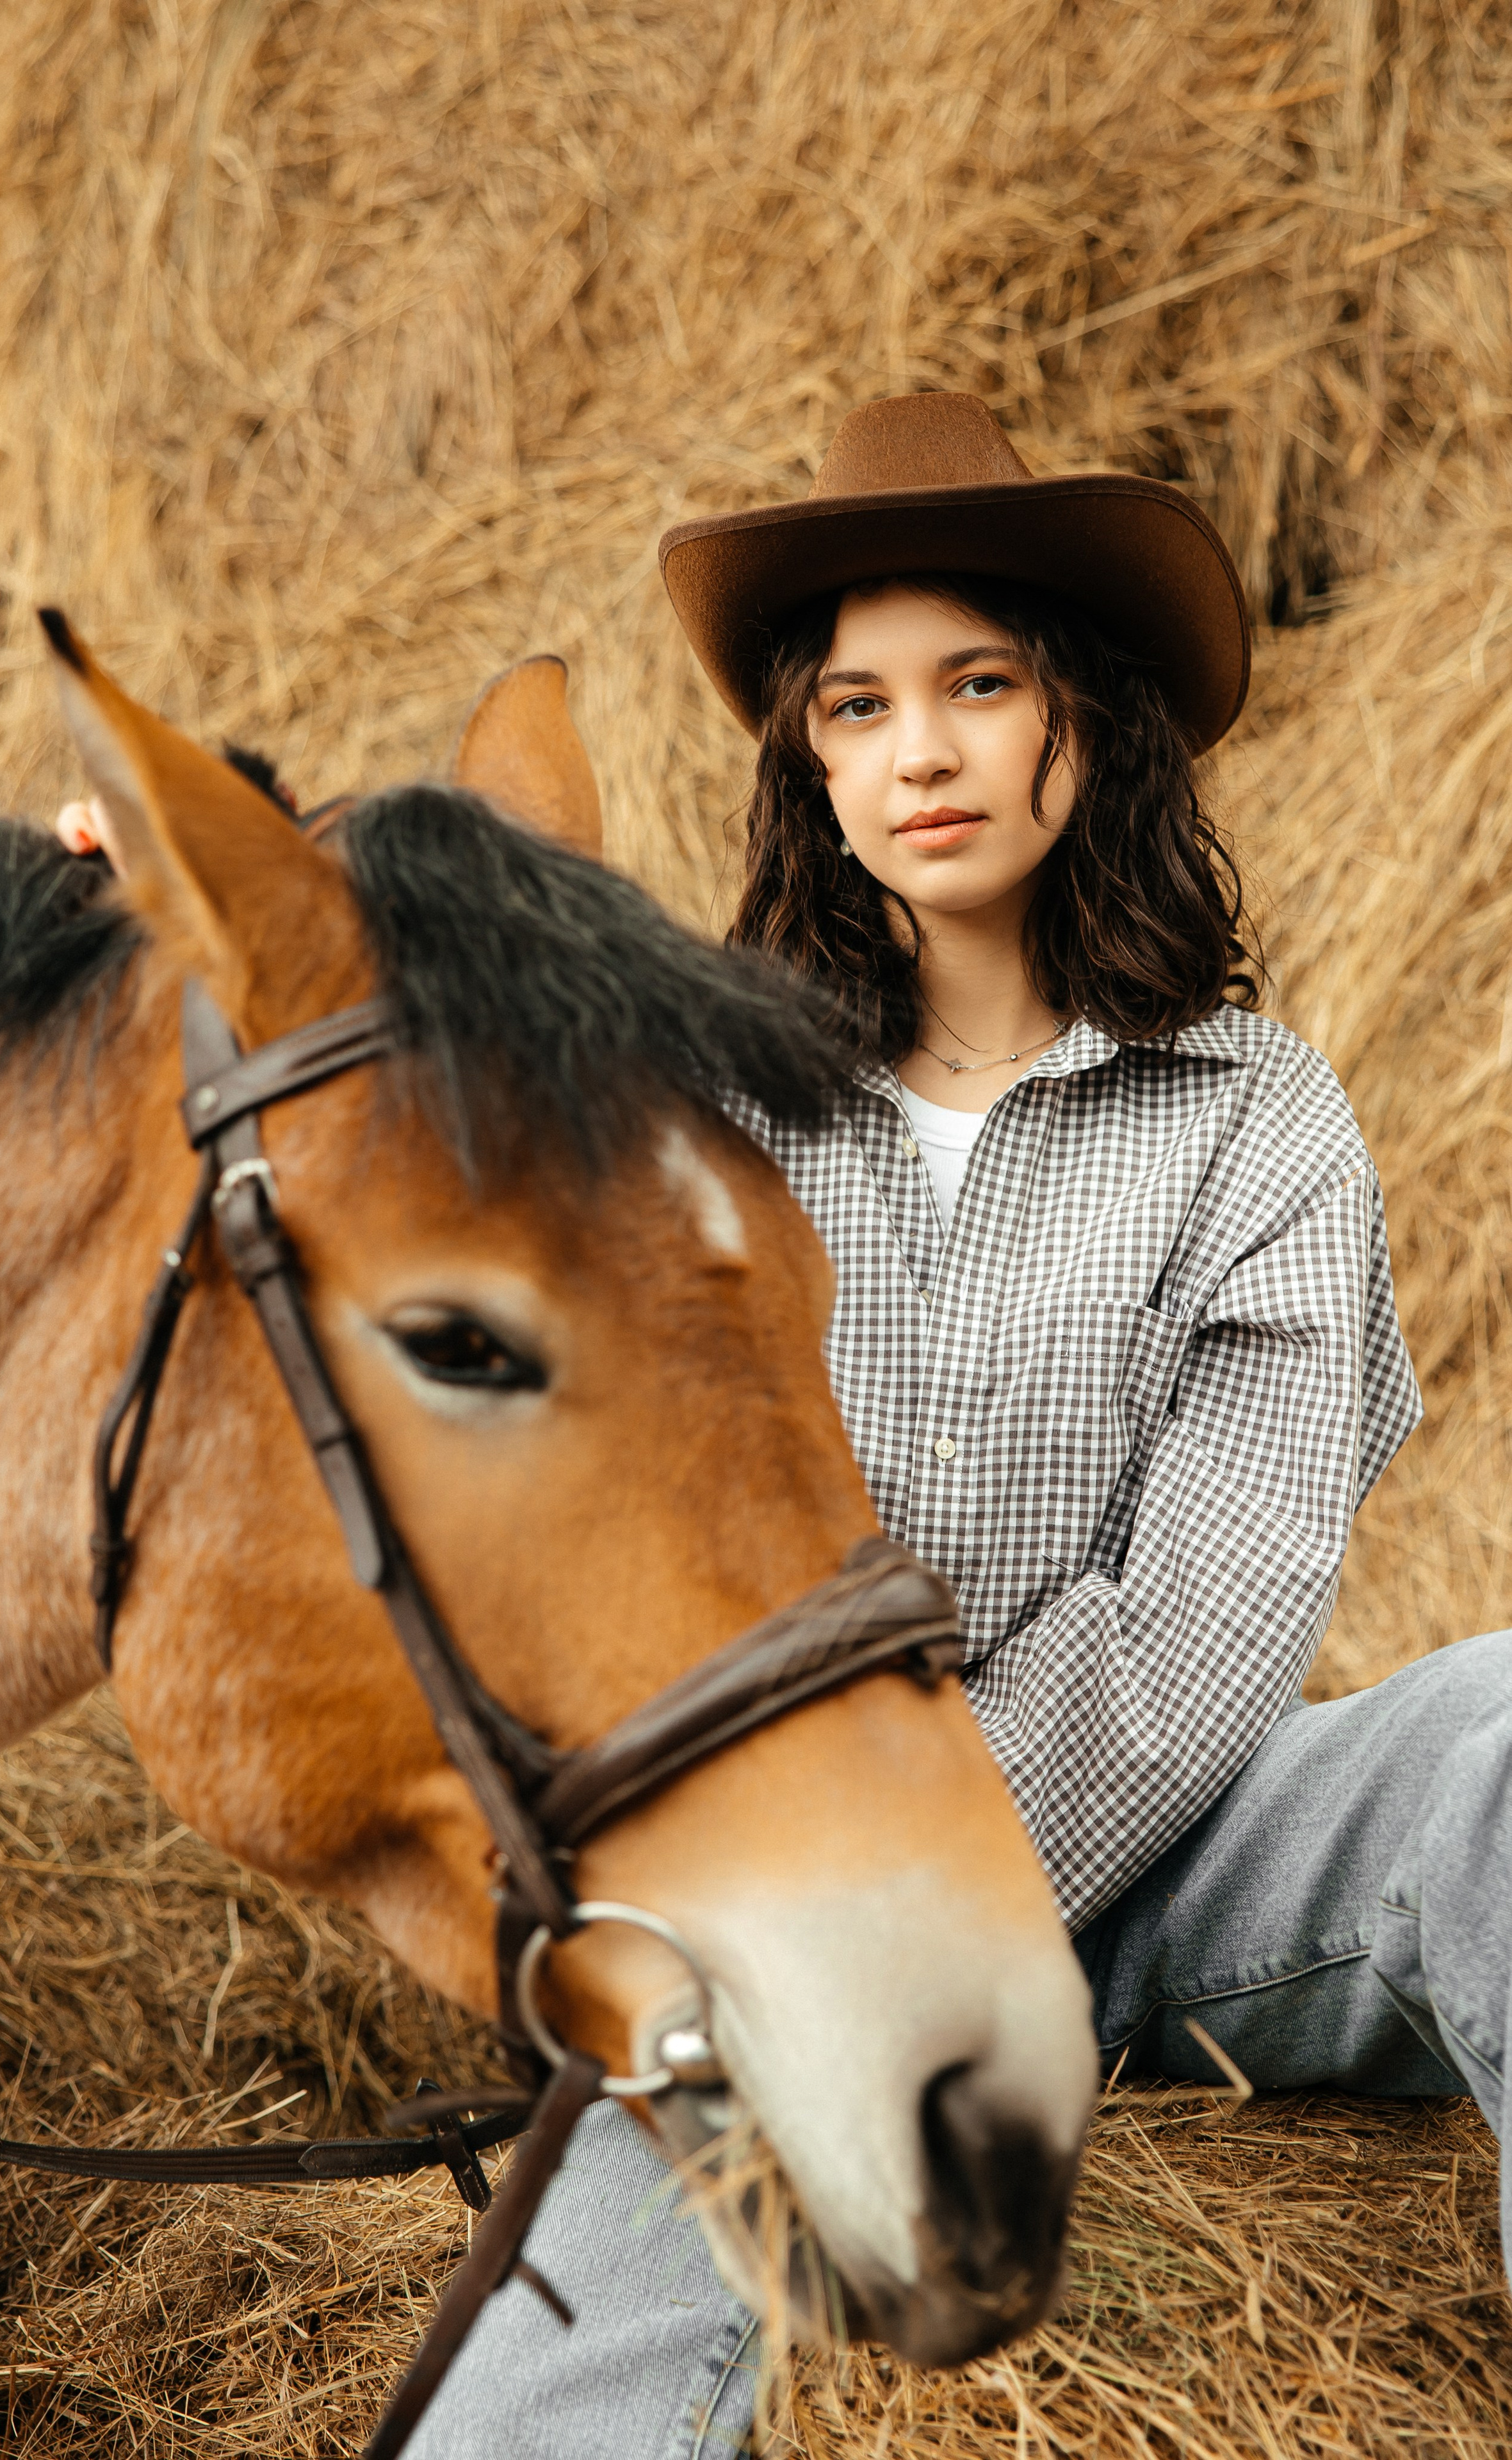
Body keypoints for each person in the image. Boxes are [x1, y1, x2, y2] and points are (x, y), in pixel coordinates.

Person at [148, 394, 1512, 2460]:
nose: (920, 753)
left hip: (1180, 1859)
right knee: (548, 2380)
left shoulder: (1261, 1122)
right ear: (810, 762)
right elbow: (381, 1073)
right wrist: (144, 941)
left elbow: (1205, 1630)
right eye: (859, 708)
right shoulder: (693, 1118)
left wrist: (889, 1898)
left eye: (980, 684)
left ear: (1087, 715)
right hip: (777, 1888)